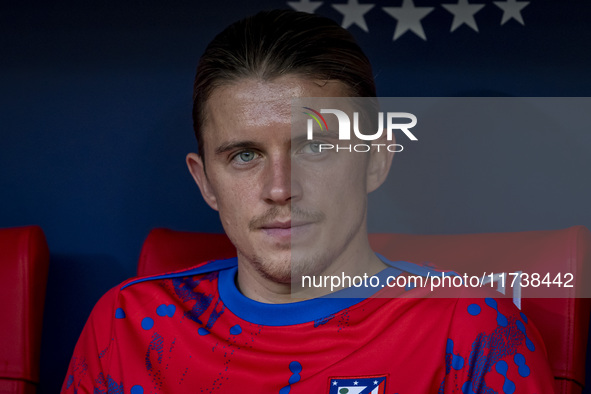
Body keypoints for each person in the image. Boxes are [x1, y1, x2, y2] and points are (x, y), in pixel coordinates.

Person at [62, 9, 555, 393]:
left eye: (315, 148)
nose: (280, 188)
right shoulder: (127, 325)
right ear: (205, 182)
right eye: (245, 155)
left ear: (376, 161)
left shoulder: (469, 326)